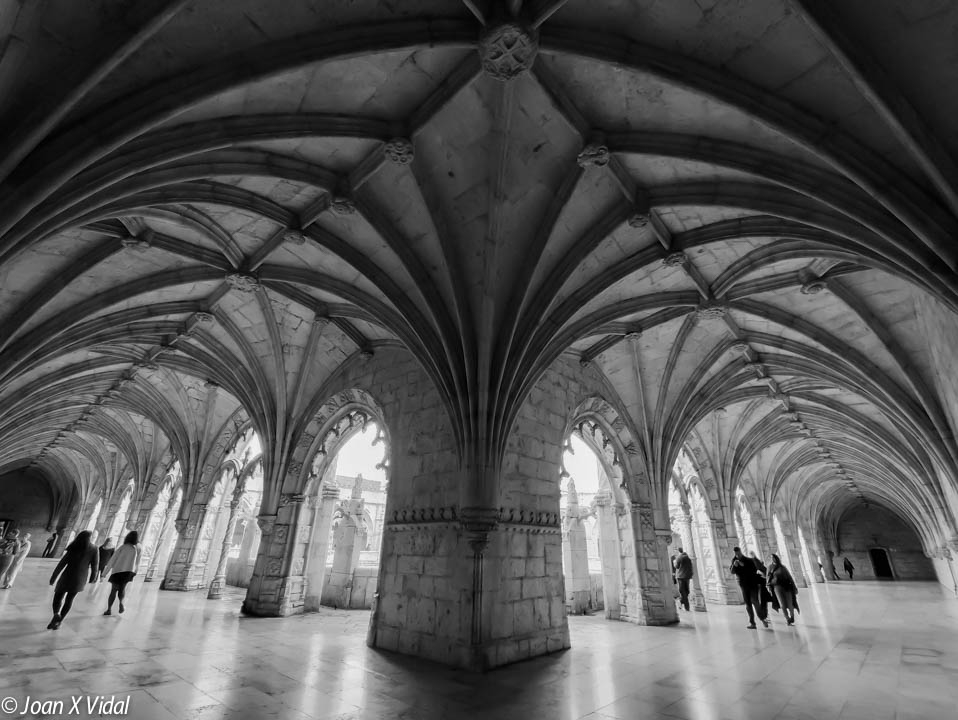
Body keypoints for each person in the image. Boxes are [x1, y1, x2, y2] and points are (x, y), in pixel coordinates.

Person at [48, 530, 98, 630]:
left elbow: (62, 563)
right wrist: (93, 577)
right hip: (80, 578)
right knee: (69, 599)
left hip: (67, 575)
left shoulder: (74, 546)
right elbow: (95, 565)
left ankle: (56, 614)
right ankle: (59, 622)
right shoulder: (94, 548)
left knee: (58, 596)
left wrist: (54, 576)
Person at [102, 531, 141, 616]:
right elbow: (138, 562)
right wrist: (135, 572)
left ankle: (109, 610)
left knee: (113, 590)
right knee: (122, 588)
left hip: (117, 571)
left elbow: (112, 560)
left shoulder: (122, 547)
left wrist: (104, 573)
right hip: (129, 572)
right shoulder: (138, 548)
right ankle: (121, 603)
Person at [730, 546, 768, 629]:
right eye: (736, 553)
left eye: (738, 553)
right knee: (748, 605)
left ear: (740, 552)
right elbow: (732, 572)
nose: (737, 555)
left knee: (755, 602)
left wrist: (743, 565)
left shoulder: (748, 560)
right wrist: (734, 565)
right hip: (743, 586)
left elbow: (754, 570)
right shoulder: (734, 561)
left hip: (752, 584)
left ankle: (762, 619)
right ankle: (752, 623)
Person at [767, 553, 799, 626]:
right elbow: (768, 579)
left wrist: (794, 587)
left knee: (790, 603)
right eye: (771, 558)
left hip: (786, 586)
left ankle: (792, 616)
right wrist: (769, 588)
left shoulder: (782, 567)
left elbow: (789, 577)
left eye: (773, 557)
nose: (772, 559)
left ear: (776, 558)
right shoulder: (770, 567)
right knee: (782, 604)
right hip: (777, 587)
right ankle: (787, 619)